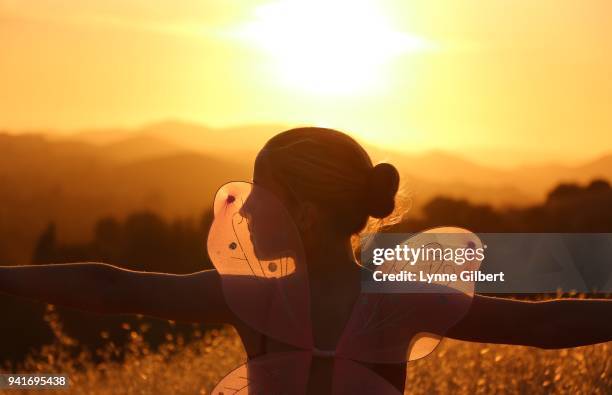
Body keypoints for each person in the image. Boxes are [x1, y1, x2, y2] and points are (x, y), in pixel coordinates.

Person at [0, 127, 611, 394]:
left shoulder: (252, 296)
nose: (244, 213)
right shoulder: (395, 300)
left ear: (307, 217)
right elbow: (542, 326)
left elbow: (116, 289)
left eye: (261, 199)